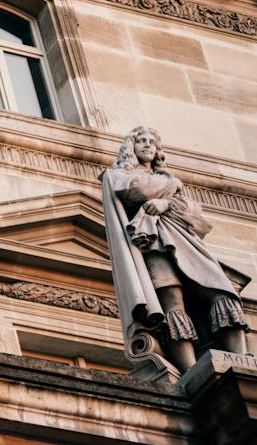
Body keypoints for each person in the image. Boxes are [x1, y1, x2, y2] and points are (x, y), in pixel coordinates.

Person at [102, 126, 248, 373]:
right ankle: (191, 370)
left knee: (221, 289)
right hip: (153, 245)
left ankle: (243, 359)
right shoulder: (120, 175)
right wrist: (171, 186)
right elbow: (138, 191)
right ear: (131, 148)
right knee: (172, 302)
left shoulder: (165, 178)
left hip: (185, 240)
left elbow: (194, 213)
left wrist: (165, 202)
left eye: (152, 142)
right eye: (141, 141)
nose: (147, 145)